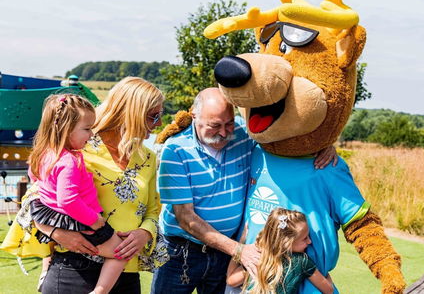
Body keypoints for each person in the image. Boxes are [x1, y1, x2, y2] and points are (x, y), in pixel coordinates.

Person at [152, 87, 337, 294]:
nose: (223, 133)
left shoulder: (243, 133)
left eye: (229, 123)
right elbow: (186, 218)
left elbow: (283, 136)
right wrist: (239, 250)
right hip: (180, 253)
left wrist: (322, 145)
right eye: (215, 126)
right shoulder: (175, 150)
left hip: (224, 255)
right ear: (195, 115)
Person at [1, 77, 165, 294]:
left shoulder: (148, 158)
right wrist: (56, 233)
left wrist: (145, 233)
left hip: (126, 275)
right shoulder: (77, 145)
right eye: (154, 116)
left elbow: (153, 210)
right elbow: (34, 200)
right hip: (73, 270)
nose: (159, 124)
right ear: (131, 111)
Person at [27, 93, 126, 294]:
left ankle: (45, 269)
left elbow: (36, 181)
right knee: (121, 252)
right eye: (87, 129)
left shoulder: (42, 155)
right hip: (82, 221)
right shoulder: (69, 161)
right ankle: (100, 291)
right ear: (65, 129)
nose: (91, 135)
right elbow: (68, 199)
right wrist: (95, 221)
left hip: (57, 221)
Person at [227, 208, 334, 294]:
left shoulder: (258, 256)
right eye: (305, 238)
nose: (310, 241)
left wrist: (242, 244)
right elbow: (328, 290)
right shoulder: (302, 261)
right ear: (286, 243)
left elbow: (231, 281)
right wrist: (325, 270)